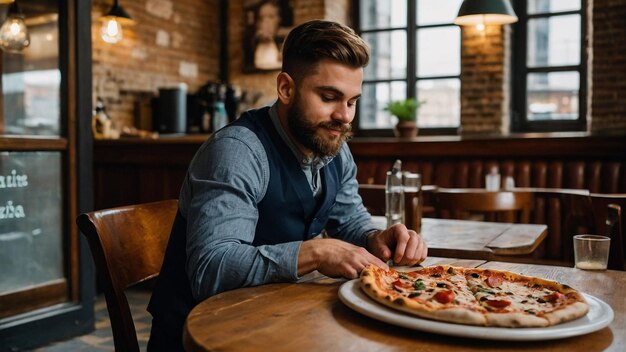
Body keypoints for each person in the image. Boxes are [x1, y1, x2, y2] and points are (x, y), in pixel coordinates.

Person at [146, 19, 428, 351]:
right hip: (202, 336)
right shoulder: (237, 151)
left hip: (275, 321)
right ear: (286, 89)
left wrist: (376, 237)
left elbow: (349, 220)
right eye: (329, 97)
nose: (344, 116)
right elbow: (212, 268)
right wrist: (316, 252)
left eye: (351, 101)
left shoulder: (332, 144)